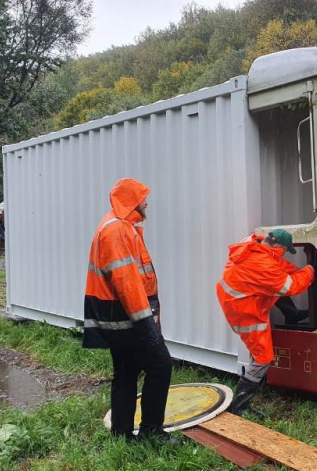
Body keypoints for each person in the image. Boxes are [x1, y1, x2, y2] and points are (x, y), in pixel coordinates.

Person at [83, 178, 175, 440]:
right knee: (161, 366)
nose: (147, 202)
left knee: (126, 373)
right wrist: (146, 324)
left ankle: (122, 434)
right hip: (128, 318)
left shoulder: (122, 226)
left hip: (121, 317)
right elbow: (126, 282)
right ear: (133, 201)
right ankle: (151, 431)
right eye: (143, 197)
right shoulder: (116, 230)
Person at [216, 229, 315, 415]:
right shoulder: (262, 265)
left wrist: (297, 271)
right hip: (243, 310)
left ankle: (291, 314)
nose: (285, 254)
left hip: (237, 297)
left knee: (275, 286)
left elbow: (279, 267)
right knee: (263, 357)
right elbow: (290, 286)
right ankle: (240, 406)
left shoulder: (256, 246)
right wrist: (309, 272)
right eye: (285, 250)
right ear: (278, 246)